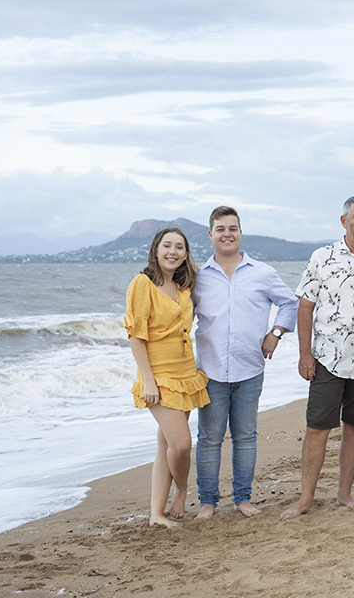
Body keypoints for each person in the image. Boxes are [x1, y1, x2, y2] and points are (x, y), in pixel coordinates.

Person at [280, 194, 354, 519]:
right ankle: (305, 499)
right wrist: (305, 354)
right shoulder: (323, 257)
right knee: (318, 427)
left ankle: (345, 493)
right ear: (344, 220)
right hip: (328, 359)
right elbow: (305, 305)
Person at [193, 206, 299, 519]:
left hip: (250, 369)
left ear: (241, 233)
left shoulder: (262, 273)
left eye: (233, 228)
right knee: (209, 438)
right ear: (210, 234)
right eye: (221, 228)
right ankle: (208, 502)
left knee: (245, 436)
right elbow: (178, 314)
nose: (227, 234)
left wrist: (276, 333)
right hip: (210, 371)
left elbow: (289, 303)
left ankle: (242, 499)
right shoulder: (198, 277)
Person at [124, 227, 210, 528]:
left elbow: (207, 269)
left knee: (166, 445)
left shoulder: (185, 285)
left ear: (186, 254)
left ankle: (156, 514)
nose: (172, 252)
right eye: (167, 246)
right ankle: (182, 491)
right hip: (158, 375)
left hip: (186, 372)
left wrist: (197, 267)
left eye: (179, 247)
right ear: (155, 250)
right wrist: (147, 379)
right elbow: (136, 335)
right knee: (182, 445)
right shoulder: (142, 284)